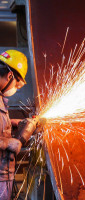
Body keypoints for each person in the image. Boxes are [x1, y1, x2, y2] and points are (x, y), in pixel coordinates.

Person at [0, 50, 36, 200]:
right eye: (17, 85)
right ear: (10, 76)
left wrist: (12, 123)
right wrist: (8, 143)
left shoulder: (1, 99)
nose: (15, 89)